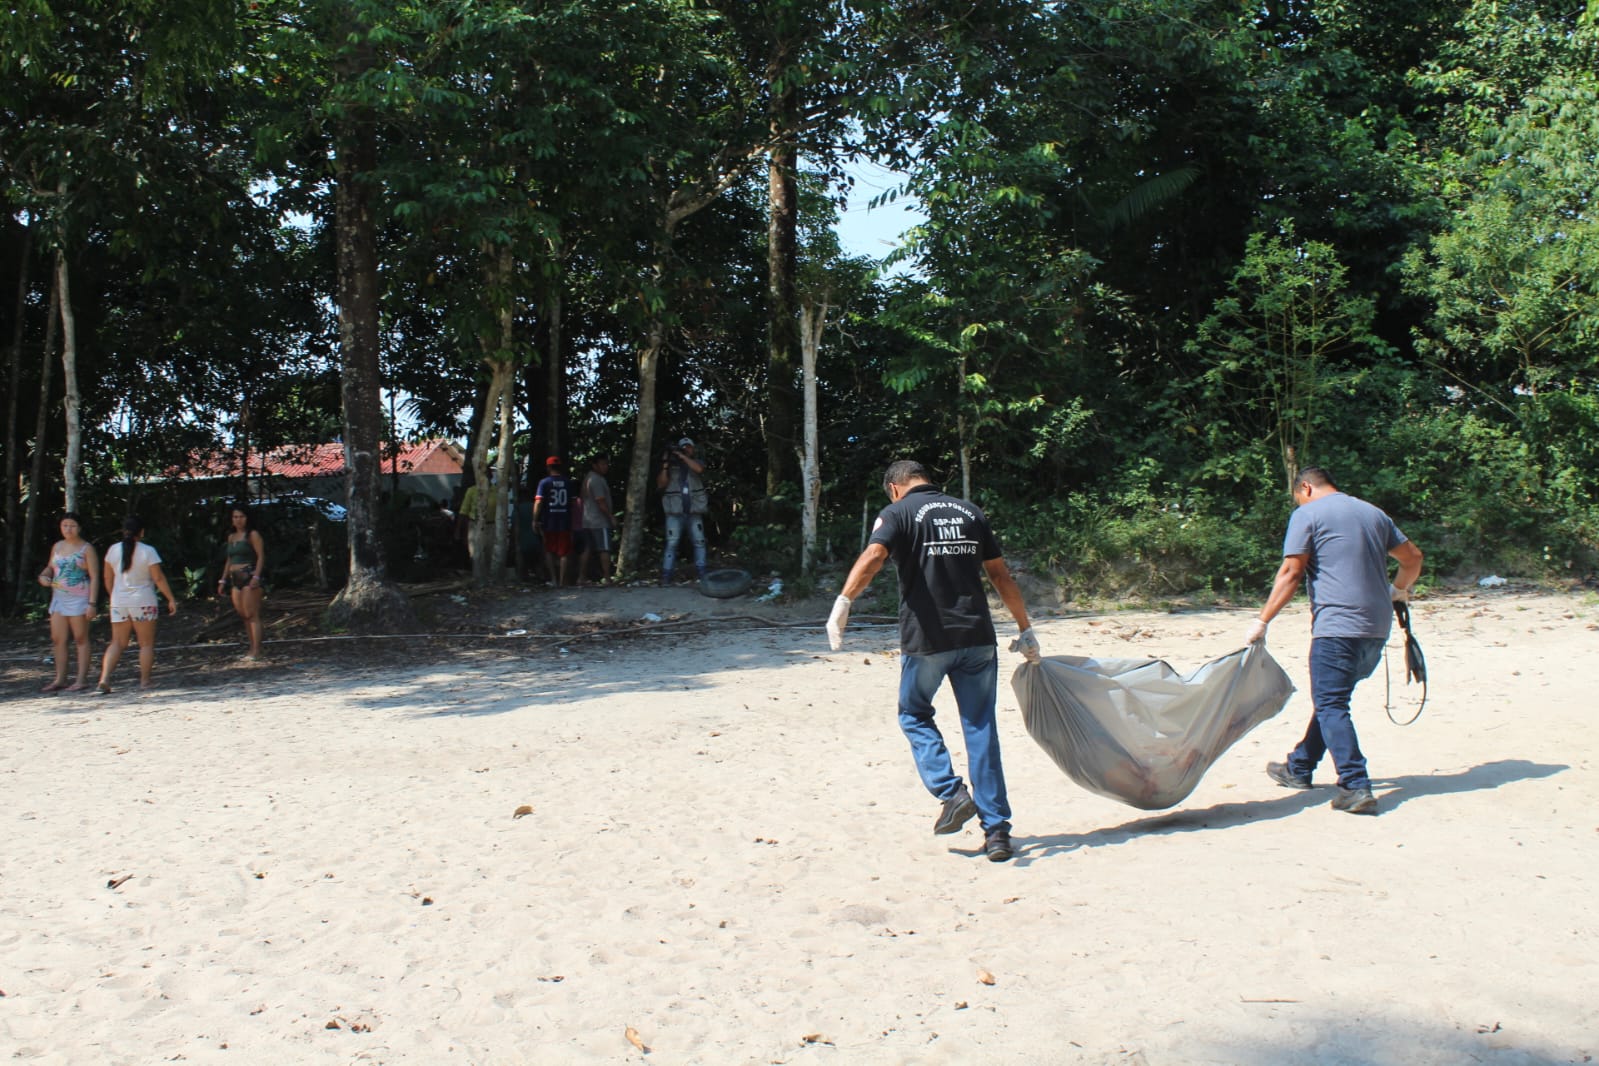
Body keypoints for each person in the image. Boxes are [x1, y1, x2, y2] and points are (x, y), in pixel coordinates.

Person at [826, 460, 1042, 863]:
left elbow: (874, 555)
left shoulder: (897, 513)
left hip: (928, 640)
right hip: (978, 637)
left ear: (894, 487)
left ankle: (951, 792)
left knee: (913, 713)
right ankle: (997, 833)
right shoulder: (970, 512)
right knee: (981, 729)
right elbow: (1001, 576)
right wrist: (1025, 628)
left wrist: (844, 601)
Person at [1246, 466, 1424, 815]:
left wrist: (1262, 620)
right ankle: (1299, 766)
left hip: (1337, 626)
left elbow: (1292, 571)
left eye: (1297, 496)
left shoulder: (1307, 514)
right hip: (1376, 626)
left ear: (1306, 489)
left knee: (1331, 704)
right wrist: (1399, 590)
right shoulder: (1373, 513)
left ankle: (1355, 785)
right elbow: (1413, 558)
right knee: (1334, 700)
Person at [96, 515, 179, 694]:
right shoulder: (148, 551)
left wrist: (114, 595)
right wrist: (170, 598)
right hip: (143, 600)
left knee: (117, 642)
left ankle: (104, 678)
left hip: (119, 601)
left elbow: (107, 578)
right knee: (146, 644)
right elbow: (158, 578)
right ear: (141, 532)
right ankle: (145, 681)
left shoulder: (112, 550)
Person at [37, 512, 100, 692]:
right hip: (59, 598)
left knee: (81, 638)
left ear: (79, 528)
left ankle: (81, 679)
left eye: (72, 525)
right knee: (58, 639)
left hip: (80, 597)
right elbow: (51, 567)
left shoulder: (86, 549)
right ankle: (60, 678)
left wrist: (92, 603)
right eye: (65, 525)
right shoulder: (57, 546)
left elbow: (95, 577)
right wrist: (43, 576)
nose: (68, 529)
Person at [217, 505, 267, 660]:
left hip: (248, 574)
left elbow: (261, 556)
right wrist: (223, 579)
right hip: (234, 577)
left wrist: (256, 577)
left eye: (241, 517)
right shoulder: (231, 537)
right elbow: (229, 560)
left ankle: (256, 650)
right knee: (243, 615)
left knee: (252, 614)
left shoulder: (252, 535)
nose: (238, 520)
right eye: (235, 517)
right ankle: (250, 647)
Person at [657, 436, 708, 585]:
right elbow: (661, 484)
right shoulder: (671, 467)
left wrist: (682, 456)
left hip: (694, 511)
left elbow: (699, 469)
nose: (686, 449)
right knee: (672, 544)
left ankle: (702, 574)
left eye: (689, 447)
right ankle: (666, 576)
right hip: (675, 512)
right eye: (683, 447)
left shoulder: (696, 462)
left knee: (699, 542)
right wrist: (666, 464)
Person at [533, 456, 578, 587]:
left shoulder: (544, 483)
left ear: (548, 467)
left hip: (549, 521)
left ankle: (554, 579)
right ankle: (562, 581)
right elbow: (574, 503)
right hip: (564, 521)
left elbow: (539, 501)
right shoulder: (568, 482)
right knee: (564, 553)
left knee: (549, 551)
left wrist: (535, 519)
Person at [578, 454, 616, 585]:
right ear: (595, 465)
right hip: (599, 520)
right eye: (602, 464)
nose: (605, 467)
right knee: (604, 549)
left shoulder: (588, 478)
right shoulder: (596, 480)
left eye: (606, 464)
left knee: (587, 549)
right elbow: (601, 501)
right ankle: (607, 577)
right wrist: (610, 517)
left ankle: (581, 577)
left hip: (587, 520)